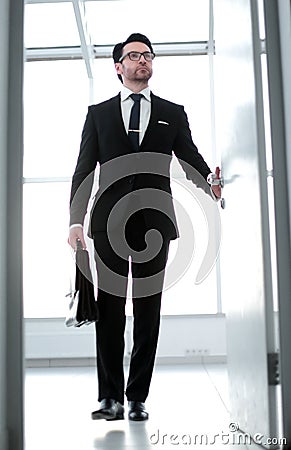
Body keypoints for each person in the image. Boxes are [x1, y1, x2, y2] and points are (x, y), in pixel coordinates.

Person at [68, 33, 221, 422]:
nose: (143, 61)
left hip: (155, 224)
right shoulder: (98, 114)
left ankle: (136, 398)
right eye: (134, 56)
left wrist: (210, 181)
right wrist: (74, 220)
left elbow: (190, 158)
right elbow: (84, 169)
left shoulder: (173, 111)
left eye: (148, 56)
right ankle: (110, 399)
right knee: (111, 311)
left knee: (148, 311)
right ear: (118, 66)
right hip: (107, 224)